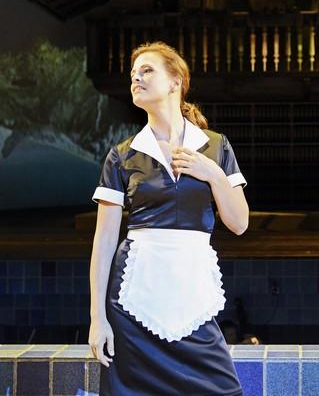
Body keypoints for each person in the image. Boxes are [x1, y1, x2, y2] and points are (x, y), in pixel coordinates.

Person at [88, 41, 248, 395]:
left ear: (176, 81)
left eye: (147, 71)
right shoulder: (122, 155)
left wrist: (213, 174)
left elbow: (239, 223)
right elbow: (104, 240)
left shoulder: (215, 146)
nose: (136, 78)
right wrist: (98, 318)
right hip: (132, 298)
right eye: (133, 74)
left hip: (191, 290)